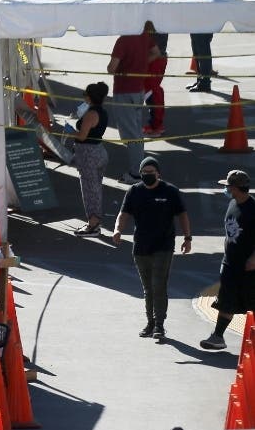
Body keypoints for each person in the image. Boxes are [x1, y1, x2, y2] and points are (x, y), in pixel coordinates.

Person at [112, 157, 191, 340]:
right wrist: (117, 230)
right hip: (141, 246)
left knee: (158, 285)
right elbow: (123, 214)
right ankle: (150, 323)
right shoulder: (134, 191)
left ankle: (160, 325)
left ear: (158, 173)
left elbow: (183, 215)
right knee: (148, 288)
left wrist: (187, 238)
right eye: (144, 173)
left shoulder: (170, 191)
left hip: (163, 246)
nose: (147, 175)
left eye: (151, 172)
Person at [201, 170, 255, 351]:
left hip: (248, 268)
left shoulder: (252, 209)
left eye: (228, 186)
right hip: (230, 264)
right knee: (226, 300)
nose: (225, 189)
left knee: (251, 302)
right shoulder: (233, 203)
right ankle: (217, 336)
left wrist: (254, 259)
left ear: (236, 188)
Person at [107, 29, 157, 183]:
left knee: (131, 133)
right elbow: (156, 52)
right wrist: (141, 64)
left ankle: (137, 173)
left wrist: (126, 66)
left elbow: (111, 68)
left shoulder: (123, 40)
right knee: (136, 130)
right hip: (138, 89)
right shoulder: (144, 36)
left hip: (124, 91)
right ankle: (139, 166)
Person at [70, 82, 110, 237]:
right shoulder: (102, 112)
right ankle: (95, 221)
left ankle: (93, 224)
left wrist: (69, 132)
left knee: (89, 189)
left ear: (90, 97)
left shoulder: (90, 114)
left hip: (88, 154)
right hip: (98, 151)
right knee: (96, 188)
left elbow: (82, 136)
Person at [143, 22, 168, 138]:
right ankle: (155, 124)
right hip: (157, 56)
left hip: (154, 58)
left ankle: (156, 125)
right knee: (153, 90)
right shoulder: (160, 15)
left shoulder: (155, 18)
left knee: (151, 91)